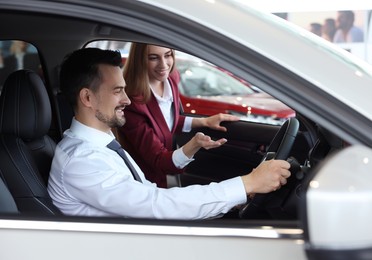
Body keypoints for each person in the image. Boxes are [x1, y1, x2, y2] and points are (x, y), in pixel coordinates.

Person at [47, 48, 291, 220]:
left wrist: (232, 197)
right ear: (87, 97)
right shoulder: (82, 161)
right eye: (118, 91)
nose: (127, 99)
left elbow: (148, 195)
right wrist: (246, 183)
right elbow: (154, 205)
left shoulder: (101, 144)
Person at [116, 43, 239, 188]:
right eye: (153, 58)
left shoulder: (171, 78)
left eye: (167, 55)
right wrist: (194, 144)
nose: (163, 65)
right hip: (146, 182)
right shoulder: (132, 102)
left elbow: (165, 121)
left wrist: (204, 122)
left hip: (166, 176)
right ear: (140, 60)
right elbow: (159, 160)